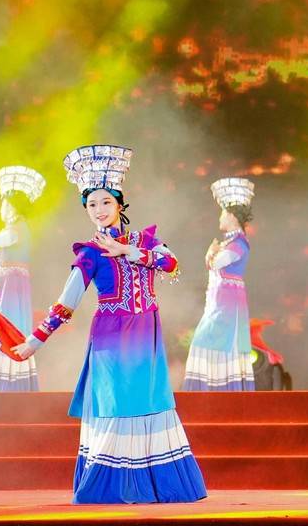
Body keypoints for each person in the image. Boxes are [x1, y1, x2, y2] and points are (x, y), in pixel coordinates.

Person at [11, 144, 207, 504]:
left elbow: (172, 265)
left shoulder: (144, 241)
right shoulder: (89, 253)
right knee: (117, 404)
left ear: (119, 203)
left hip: (146, 335)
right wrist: (33, 341)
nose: (99, 210)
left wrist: (128, 252)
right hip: (112, 338)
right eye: (91, 205)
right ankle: (112, 486)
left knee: (150, 401)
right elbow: (66, 302)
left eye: (105, 202)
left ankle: (158, 485)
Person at [183, 178, 256, 392]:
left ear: (232, 216)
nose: (220, 217)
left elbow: (218, 262)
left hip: (228, 304)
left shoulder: (239, 243)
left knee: (217, 343)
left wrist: (211, 253)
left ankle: (221, 391)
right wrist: (212, 253)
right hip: (220, 302)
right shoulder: (229, 243)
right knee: (209, 342)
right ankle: (212, 390)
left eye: (223, 213)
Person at [0, 166, 45, 391]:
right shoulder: (12, 228)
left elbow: (7, 239)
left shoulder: (19, 227)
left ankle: (7, 380)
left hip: (9, 288)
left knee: (6, 327)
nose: (2, 208)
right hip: (0, 287)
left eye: (6, 203)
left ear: (15, 205)